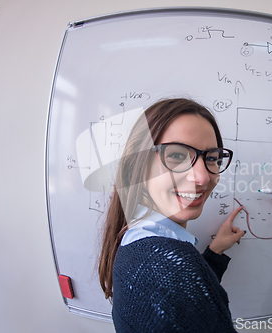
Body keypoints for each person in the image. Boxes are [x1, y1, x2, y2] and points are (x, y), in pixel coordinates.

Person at [98, 98, 245, 332]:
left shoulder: (134, 237)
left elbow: (182, 307)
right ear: (138, 163)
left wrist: (214, 253)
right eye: (177, 156)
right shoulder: (173, 267)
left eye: (212, 158)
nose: (203, 178)